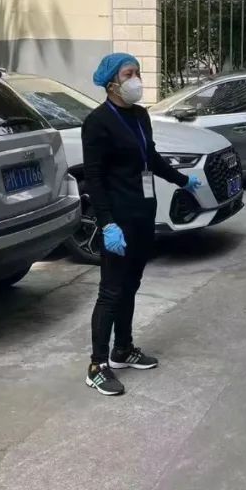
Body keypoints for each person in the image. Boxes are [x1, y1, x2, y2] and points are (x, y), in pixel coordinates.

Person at [82, 53, 203, 396]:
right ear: (111, 83)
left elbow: (150, 157)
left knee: (131, 285)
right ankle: (97, 365)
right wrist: (107, 223)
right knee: (111, 290)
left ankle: (123, 349)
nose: (136, 79)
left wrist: (182, 180)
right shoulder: (97, 122)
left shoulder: (139, 115)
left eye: (137, 72)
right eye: (128, 74)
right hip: (118, 220)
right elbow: (94, 178)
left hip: (142, 213)